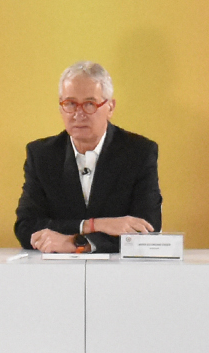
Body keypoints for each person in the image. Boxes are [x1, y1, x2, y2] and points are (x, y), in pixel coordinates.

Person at [14, 61, 162, 255]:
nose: (79, 114)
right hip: (56, 270)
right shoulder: (42, 155)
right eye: (70, 104)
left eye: (90, 104)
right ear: (60, 107)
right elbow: (26, 227)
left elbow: (148, 228)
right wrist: (92, 225)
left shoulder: (139, 152)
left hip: (119, 269)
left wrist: (79, 244)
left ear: (110, 107)